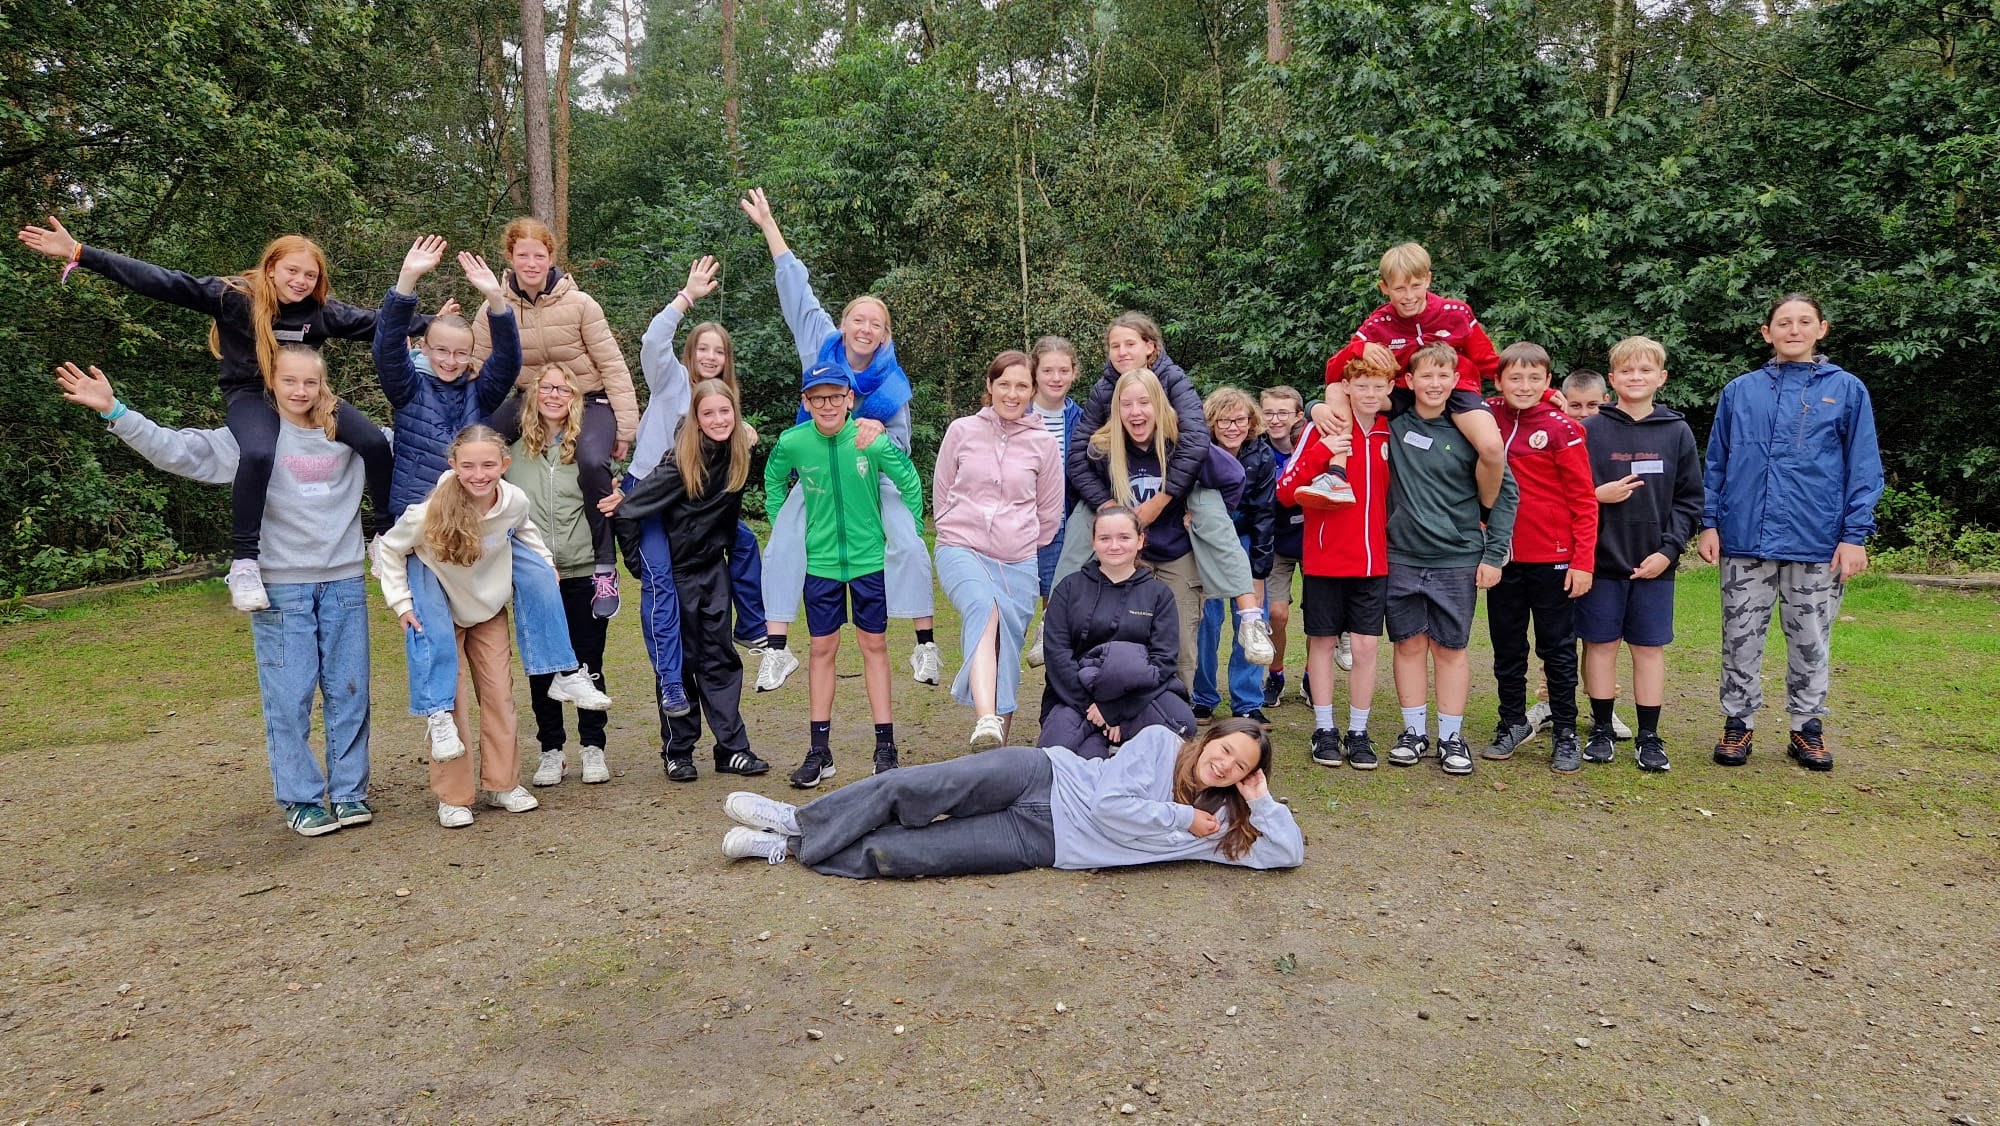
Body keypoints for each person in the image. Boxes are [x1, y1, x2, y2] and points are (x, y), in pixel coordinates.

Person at [54, 354, 374, 837]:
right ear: (270, 382)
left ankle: (350, 792)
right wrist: (115, 411)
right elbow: (179, 450)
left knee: (350, 692)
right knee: (289, 697)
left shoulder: (352, 435)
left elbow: (422, 447)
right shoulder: (253, 437)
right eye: (289, 380)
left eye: (311, 381)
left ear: (324, 385)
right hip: (281, 586)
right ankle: (302, 799)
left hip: (344, 581)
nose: (300, 391)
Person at [18, 219, 397, 611]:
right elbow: (162, 281)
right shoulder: (234, 297)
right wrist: (81, 253)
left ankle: (385, 538)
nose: (301, 281)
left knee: (373, 441)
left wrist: (431, 326)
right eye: (292, 271)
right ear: (271, 268)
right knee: (258, 453)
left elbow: (383, 324)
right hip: (250, 395)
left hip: (308, 392)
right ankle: (245, 562)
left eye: (310, 275)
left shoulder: (321, 312)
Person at [739, 187, 939, 691]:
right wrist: (769, 226)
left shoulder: (892, 386)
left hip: (872, 476)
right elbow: (796, 290)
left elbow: (903, 454)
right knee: (783, 540)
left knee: (908, 540)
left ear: (885, 335)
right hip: (819, 473)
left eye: (876, 324)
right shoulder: (820, 343)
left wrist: (881, 435)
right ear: (845, 323)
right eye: (858, 319)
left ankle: (925, 645)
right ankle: (776, 649)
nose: (865, 328)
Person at [717, 718, 1303, 878]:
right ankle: (796, 819)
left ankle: (787, 849)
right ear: (1211, 738)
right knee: (912, 788)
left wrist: (1262, 803)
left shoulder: (1221, 826)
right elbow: (1109, 804)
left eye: (1241, 767)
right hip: (1042, 776)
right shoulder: (1158, 743)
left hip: (1044, 841)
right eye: (1226, 750)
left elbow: (1286, 854)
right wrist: (1180, 817)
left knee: (907, 854)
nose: (1225, 764)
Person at [1699, 294, 1883, 772]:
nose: (1794, 330)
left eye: (1804, 322)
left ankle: (1807, 727)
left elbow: (1864, 465)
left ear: (1822, 328)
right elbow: (1717, 461)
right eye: (1784, 322)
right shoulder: (1740, 391)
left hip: (1817, 539)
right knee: (1740, 636)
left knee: (1810, 639)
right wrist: (1709, 522)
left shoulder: (1846, 389)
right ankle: (1738, 723)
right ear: (1767, 333)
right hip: (1744, 538)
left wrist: (1855, 535)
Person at [1052, 313, 1274, 666]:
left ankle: (1250, 618)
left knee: (1208, 505)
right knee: (1085, 515)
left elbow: (1203, 448)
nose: (1122, 352)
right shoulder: (1104, 406)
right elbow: (1078, 459)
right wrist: (1105, 504)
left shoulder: (1173, 384)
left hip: (1179, 506)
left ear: (1150, 347)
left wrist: (1175, 501)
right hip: (1129, 529)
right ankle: (1052, 619)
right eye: (1114, 346)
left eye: (1130, 344)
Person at [374, 425, 566, 827]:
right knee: (452, 699)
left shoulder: (513, 500)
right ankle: (453, 797)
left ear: (504, 464)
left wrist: (546, 566)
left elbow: (527, 532)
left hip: (487, 608)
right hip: (440, 609)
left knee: (499, 694)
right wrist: (401, 602)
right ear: (454, 465)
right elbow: (388, 549)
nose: (479, 475)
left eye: (488, 465)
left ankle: (503, 784)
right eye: (469, 466)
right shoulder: (429, 511)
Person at [762, 361, 926, 787]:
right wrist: (785, 532)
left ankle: (885, 747)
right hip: (820, 565)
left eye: (835, 396)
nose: (828, 405)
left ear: (849, 399)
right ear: (806, 402)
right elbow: (773, 480)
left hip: (869, 561)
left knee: (874, 645)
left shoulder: (869, 440)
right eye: (818, 398)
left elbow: (908, 480)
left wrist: (907, 534)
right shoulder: (794, 442)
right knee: (821, 649)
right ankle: (820, 752)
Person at [472, 217, 638, 619]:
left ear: (551, 258)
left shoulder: (580, 304)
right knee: (477, 445)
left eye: (539, 255)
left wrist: (626, 427)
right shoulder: (494, 306)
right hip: (532, 397)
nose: (531, 263)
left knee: (592, 461)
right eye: (523, 255)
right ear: (510, 257)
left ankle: (604, 564)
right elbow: (475, 361)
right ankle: (477, 545)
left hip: (589, 398)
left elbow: (612, 364)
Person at [630, 255, 768, 719]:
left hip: (693, 505)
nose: (710, 357)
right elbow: (653, 341)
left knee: (744, 542)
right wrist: (686, 297)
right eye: (703, 349)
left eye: (719, 351)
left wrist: (743, 430)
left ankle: (752, 626)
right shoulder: (670, 380)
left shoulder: (721, 402)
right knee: (661, 584)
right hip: (650, 497)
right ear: (690, 354)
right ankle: (671, 683)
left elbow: (722, 435)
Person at [613, 379, 773, 782]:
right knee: (680, 664)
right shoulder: (679, 464)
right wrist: (637, 565)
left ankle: (732, 749)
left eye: (725, 411)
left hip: (712, 571)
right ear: (696, 421)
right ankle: (678, 751)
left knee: (720, 660)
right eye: (709, 413)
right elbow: (628, 510)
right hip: (676, 577)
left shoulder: (736, 455)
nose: (719, 420)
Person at [1383, 344, 1520, 776]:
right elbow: (1345, 393)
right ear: (1409, 381)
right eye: (1426, 375)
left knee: (1450, 648)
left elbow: (1507, 495)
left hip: (1456, 556)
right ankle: (1413, 732)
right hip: (1401, 554)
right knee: (1408, 644)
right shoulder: (1393, 424)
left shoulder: (1471, 431)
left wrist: (1494, 554)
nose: (1435, 384)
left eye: (1444, 375)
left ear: (1457, 381)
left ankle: (1450, 737)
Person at [1075, 367, 1247, 691]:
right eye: (1127, 404)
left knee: (1180, 642)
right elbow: (1079, 479)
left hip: (1176, 555)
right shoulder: (1104, 449)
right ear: (1116, 409)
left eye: (1144, 402)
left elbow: (1233, 477)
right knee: (1123, 638)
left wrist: (1202, 514)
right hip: (1127, 560)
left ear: (1159, 404)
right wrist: (1103, 504)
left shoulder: (1181, 443)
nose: (1136, 412)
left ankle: (1176, 709)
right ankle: (1124, 709)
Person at [1577, 336, 1703, 772]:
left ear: (1661, 378)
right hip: (1600, 563)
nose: (1636, 377)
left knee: (1648, 649)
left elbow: (1689, 500)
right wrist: (1597, 494)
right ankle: (1601, 729)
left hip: (1654, 565)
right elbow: (1571, 492)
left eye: (1645, 370)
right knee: (1600, 645)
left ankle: (1649, 736)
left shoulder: (1677, 431)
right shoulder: (1589, 430)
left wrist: (1669, 551)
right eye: (1627, 370)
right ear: (1612, 379)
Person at [1308, 242, 1506, 510]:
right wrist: (1358, 349)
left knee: (1492, 448)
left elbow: (1489, 361)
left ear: (1428, 279)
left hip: (1454, 390)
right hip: (1404, 394)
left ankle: (1486, 513)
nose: (1409, 296)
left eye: (1415, 286)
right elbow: (1334, 371)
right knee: (1336, 388)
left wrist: (1544, 393)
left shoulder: (1455, 313)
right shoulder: (1379, 324)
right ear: (1384, 288)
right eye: (1400, 288)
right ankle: (1337, 475)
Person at [931, 351, 1065, 749]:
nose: (1012, 393)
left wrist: (1015, 539)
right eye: (1004, 384)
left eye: (1022, 386)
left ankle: (994, 750)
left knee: (1006, 648)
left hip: (1018, 561)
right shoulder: (961, 430)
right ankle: (985, 718)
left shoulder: (1044, 444)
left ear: (1033, 391)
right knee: (983, 608)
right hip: (961, 548)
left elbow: (1049, 513)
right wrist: (959, 526)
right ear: (989, 386)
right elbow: (942, 492)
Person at [1479, 343, 1598, 773]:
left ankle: (1565, 731)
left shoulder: (1563, 428)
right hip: (1503, 557)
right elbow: (1457, 392)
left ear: (1548, 381)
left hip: (1555, 558)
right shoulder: (1486, 414)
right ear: (1498, 381)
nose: (1524, 386)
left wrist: (1583, 561)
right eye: (1515, 378)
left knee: (1558, 649)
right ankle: (1512, 722)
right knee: (1507, 646)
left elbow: (1584, 499)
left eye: (1535, 379)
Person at [1275, 359, 1391, 770]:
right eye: (1362, 385)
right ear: (1345, 387)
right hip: (1325, 559)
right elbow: (1285, 491)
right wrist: (1323, 451)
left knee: (1365, 646)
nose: (1370, 394)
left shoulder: (1389, 429)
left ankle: (1358, 731)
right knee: (1322, 643)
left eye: (1378, 385)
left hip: (1373, 561)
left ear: (1389, 388)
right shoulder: (1321, 428)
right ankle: (1324, 728)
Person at [507, 365, 617, 788]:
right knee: (543, 666)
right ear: (533, 394)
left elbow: (611, 496)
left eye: (564, 389)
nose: (554, 395)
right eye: (547, 387)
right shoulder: (513, 448)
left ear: (576, 398)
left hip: (584, 567)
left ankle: (593, 747)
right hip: (535, 573)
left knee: (588, 661)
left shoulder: (589, 448)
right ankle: (551, 749)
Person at [1037, 507, 1198, 760]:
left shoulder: (1159, 594)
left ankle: (1126, 744)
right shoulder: (1068, 588)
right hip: (1077, 697)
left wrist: (1114, 710)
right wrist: (1093, 709)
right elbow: (1057, 655)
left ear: (1140, 540)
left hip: (1139, 698)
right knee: (1059, 755)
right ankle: (1096, 746)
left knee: (1181, 725)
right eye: (1105, 538)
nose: (1114, 546)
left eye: (1124, 537)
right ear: (1093, 542)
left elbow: (1164, 661)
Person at [1532, 367, 1629, 739]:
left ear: (1605, 401)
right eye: (1575, 405)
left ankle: (1604, 704)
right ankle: (1548, 701)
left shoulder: (1613, 436)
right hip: (1556, 549)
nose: (1584, 413)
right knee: (1556, 633)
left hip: (1604, 552)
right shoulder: (1552, 434)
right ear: (1562, 402)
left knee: (1599, 635)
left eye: (1592, 405)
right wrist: (1597, 495)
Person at [1192, 387, 1277, 727]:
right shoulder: (1198, 451)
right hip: (1204, 540)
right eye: (1224, 421)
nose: (1233, 427)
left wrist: (1259, 572)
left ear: (1251, 421)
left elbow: (1265, 514)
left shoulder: (1262, 454)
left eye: (1239, 420)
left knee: (1252, 621)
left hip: (1245, 539)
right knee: (1205, 621)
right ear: (1211, 423)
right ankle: (1202, 697)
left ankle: (1247, 701)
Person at [1258, 385, 1341, 708]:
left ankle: (1311, 675)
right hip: (1276, 540)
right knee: (1276, 613)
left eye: (1283, 413)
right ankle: (1275, 673)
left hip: (1314, 539)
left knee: (1317, 615)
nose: (1275, 420)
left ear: (1298, 415)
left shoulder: (1318, 442)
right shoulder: (1257, 449)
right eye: (1268, 413)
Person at [1026, 336, 1084, 669]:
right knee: (1013, 610)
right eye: (1048, 370)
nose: (1056, 378)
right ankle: (996, 684)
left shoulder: (1082, 419)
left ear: (1074, 372)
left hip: (1062, 523)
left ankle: (1051, 647)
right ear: (1035, 372)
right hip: (1017, 525)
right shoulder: (1017, 411)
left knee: (1059, 603)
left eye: (1063, 370)